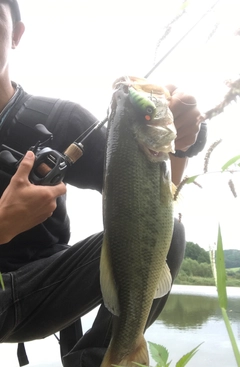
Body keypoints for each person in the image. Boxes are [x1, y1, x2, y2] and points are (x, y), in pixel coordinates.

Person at [0, 1, 207, 366]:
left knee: (170, 232)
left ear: (16, 33)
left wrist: (181, 143)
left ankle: (111, 355)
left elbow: (148, 204)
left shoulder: (58, 118)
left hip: (47, 290)